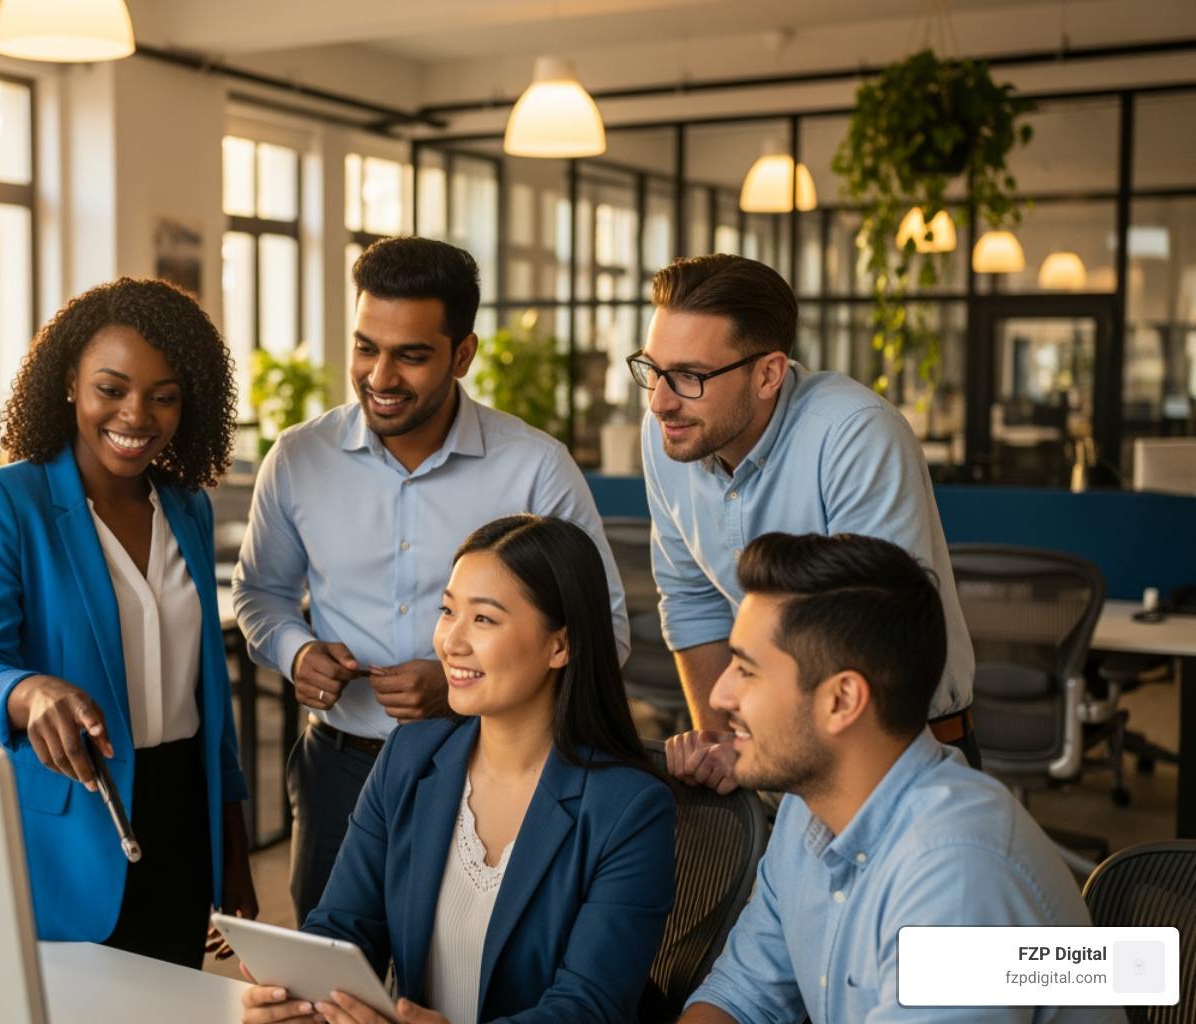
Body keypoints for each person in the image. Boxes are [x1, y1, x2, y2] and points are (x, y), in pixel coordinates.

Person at [233, 236, 629, 924]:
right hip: (340, 766)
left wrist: (456, 693)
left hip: (491, 770)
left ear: (463, 355)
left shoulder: (534, 469)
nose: (380, 375)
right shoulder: (299, 458)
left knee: (467, 967)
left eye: (411, 355)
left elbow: (606, 634)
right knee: (330, 969)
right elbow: (260, 594)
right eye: (366, 347)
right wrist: (296, 649)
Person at [241, 515, 675, 1024]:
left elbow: (588, 1009)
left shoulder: (629, 807)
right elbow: (344, 926)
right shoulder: (410, 755)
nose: (451, 642)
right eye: (448, 611)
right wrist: (300, 993)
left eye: (484, 619)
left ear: (561, 645)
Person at [678, 532, 1124, 1024]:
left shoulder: (956, 870)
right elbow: (743, 995)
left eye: (746, 669)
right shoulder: (806, 810)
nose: (718, 695)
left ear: (842, 701)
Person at [0, 277, 257, 967]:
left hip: (181, 813)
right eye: (111, 389)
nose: (136, 414)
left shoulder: (187, 508)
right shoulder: (2, 502)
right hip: (73, 819)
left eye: (163, 395)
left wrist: (233, 852)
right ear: (69, 384)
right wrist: (29, 695)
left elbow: (210, 702)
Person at [628, 253, 978, 787]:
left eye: (690, 376)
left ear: (769, 373)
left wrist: (752, 749)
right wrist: (726, 746)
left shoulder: (854, 434)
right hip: (772, 744)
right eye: (652, 369)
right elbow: (691, 597)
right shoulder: (670, 433)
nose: (659, 401)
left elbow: (867, 638)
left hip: (894, 748)